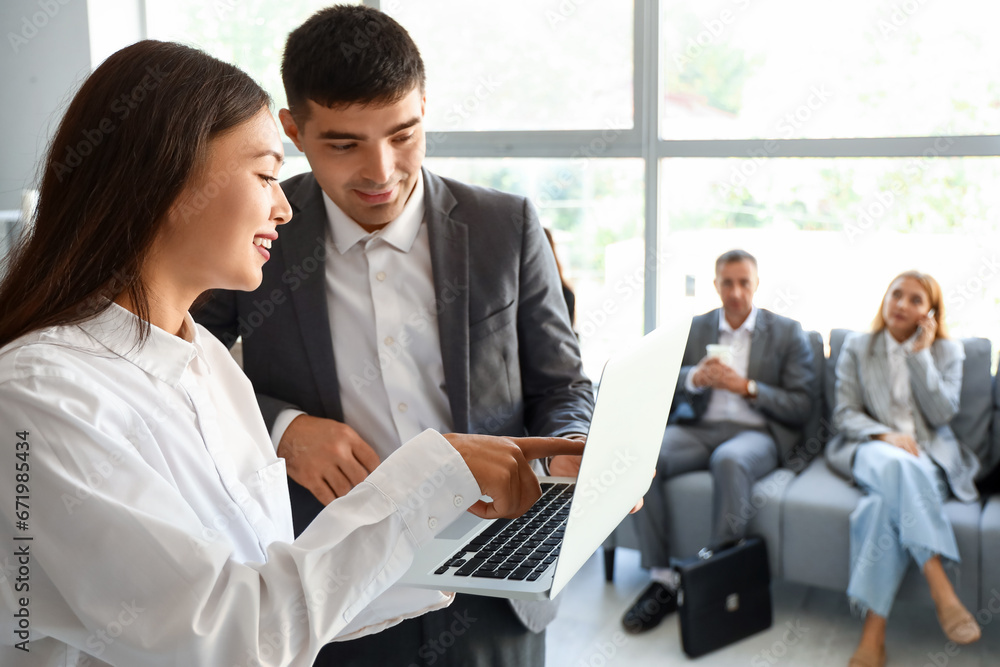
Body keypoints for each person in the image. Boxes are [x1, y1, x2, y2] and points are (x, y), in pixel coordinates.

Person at [0, 40, 583, 666]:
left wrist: (448, 512)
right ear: (165, 182)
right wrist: (431, 476)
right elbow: (224, 637)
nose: (283, 206)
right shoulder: (40, 397)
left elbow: (272, 576)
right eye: (265, 175)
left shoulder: (208, 365)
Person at [193, 6, 595, 666]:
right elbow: (179, 373)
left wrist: (575, 449)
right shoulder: (257, 231)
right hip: (332, 581)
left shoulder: (506, 226)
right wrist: (282, 429)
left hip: (494, 569)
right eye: (345, 144)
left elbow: (562, 384)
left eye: (403, 134)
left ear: (426, 108)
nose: (380, 172)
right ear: (294, 130)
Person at [622, 249, 815, 633]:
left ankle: (719, 579)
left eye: (744, 282)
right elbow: (663, 383)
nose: (736, 292)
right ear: (715, 285)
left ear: (756, 284)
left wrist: (748, 387)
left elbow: (802, 405)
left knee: (729, 460)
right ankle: (662, 579)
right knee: (644, 457)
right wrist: (694, 378)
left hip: (755, 433)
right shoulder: (697, 328)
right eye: (728, 282)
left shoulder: (787, 332)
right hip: (699, 429)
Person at [826, 271, 981, 667]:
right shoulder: (859, 347)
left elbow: (942, 413)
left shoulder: (949, 352)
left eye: (915, 300)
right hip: (871, 448)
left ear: (930, 313)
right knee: (896, 464)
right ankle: (940, 585)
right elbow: (844, 413)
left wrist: (920, 355)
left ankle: (873, 637)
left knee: (881, 509)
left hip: (927, 458)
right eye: (897, 294)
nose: (901, 304)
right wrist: (884, 435)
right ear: (885, 298)